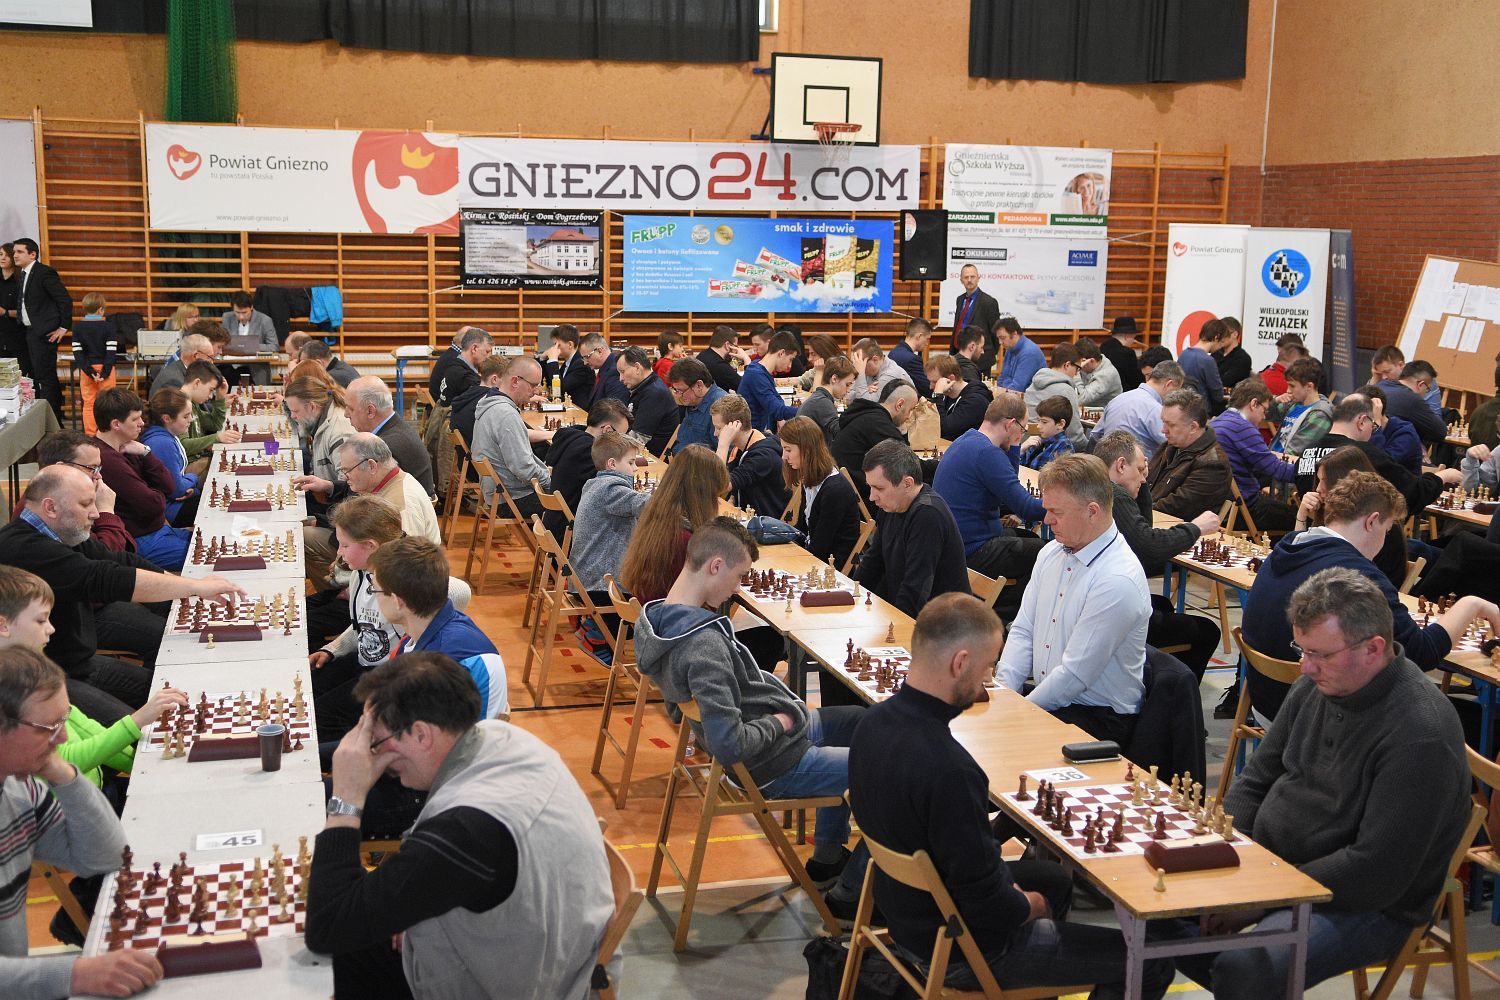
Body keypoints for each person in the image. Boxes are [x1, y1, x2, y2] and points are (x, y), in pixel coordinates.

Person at [848, 594, 1173, 999]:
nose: (988, 680)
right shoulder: (951, 769)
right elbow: (989, 905)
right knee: (1152, 961)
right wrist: (1029, 905)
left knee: (1053, 880)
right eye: (987, 666)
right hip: (960, 949)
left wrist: (1018, 892)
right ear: (960, 663)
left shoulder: (871, 724)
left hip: (903, 917)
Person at [1174, 567, 1471, 1000]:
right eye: (1302, 649)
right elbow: (1256, 780)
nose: (1305, 666)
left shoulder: (1420, 733)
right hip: (1275, 869)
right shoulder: (1319, 685)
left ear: (1373, 648)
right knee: (1156, 913)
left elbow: (1374, 871)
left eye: (1321, 654)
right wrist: (1232, 857)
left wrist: (1262, 898)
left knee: (1246, 968)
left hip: (1366, 903)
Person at [306, 652, 610, 1000]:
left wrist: (347, 797)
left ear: (421, 734)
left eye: (376, 742)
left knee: (317, 962)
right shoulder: (501, 737)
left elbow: (326, 925)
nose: (373, 755)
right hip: (548, 943)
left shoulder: (465, 831)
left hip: (522, 982)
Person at [635, 518, 871, 917]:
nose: (739, 588)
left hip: (770, 730)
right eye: (739, 576)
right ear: (715, 565)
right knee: (887, 773)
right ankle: (851, 893)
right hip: (772, 761)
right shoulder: (703, 645)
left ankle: (827, 858)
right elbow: (730, 745)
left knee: (862, 722)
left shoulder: (657, 619)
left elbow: (676, 707)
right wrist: (780, 722)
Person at [1243, 470, 1495, 720]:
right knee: (1442, 713)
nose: (1384, 541)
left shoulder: (1287, 546)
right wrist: (1471, 605)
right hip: (1314, 722)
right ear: (1372, 521)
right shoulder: (1357, 574)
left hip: (1263, 707)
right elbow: (1421, 653)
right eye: (1386, 530)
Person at [0, 466, 243, 719]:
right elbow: (107, 578)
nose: (96, 513)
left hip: (79, 662)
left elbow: (119, 560)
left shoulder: (58, 532)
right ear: (50, 507)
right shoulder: (24, 547)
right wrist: (193, 588)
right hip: (48, 678)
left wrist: (188, 585)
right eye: (85, 504)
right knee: (146, 724)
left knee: (166, 689)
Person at [0, 645, 170, 998]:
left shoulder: (20, 790)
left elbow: (106, 856)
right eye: (49, 727)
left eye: (63, 721)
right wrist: (74, 974)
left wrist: (64, 773)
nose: (63, 737)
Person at [997, 454, 1151, 744]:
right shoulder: (1050, 553)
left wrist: (1016, 712)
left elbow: (1075, 676)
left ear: (1092, 512)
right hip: (1051, 698)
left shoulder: (1117, 579)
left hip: (1098, 717)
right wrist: (1004, 692)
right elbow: (1023, 630)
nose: (1047, 520)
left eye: (1057, 512)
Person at [0, 567, 186, 800]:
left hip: (94, 788)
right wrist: (136, 721)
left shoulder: (34, 668)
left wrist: (145, 763)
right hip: (66, 809)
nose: (51, 628)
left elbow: (86, 728)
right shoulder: (13, 689)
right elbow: (63, 760)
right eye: (40, 620)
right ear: (3, 626)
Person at [310, 496, 470, 740]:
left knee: (322, 716)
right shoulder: (360, 573)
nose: (339, 553)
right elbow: (365, 624)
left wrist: (414, 590)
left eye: (344, 545)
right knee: (310, 686)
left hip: (393, 675)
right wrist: (333, 649)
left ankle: (352, 754)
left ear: (370, 546)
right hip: (365, 658)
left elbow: (460, 591)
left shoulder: (400, 577)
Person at [1093, 431, 1222, 680]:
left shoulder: (1098, 486)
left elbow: (1143, 528)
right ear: (1121, 465)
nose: (1145, 478)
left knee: (1163, 604)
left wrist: (1140, 484)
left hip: (1101, 599)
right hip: (1110, 611)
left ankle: (1156, 676)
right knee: (1207, 630)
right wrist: (1196, 528)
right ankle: (1172, 691)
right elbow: (1149, 547)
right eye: (1141, 470)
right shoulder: (1115, 495)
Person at [368, 537, 507, 715]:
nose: (374, 597)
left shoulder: (442, 667)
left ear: (397, 601)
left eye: (375, 590)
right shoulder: (423, 634)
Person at [933, 395, 1045, 613]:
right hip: (971, 550)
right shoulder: (988, 453)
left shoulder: (968, 438)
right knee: (1045, 552)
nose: (1021, 435)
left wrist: (1013, 444)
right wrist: (1065, 505)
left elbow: (1005, 493)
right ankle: (1003, 613)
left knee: (1030, 539)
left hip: (955, 543)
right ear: (1010, 424)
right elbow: (1027, 508)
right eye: (1022, 429)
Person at [298, 434, 442, 588]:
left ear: (372, 466)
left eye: (347, 471)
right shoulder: (388, 480)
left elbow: (404, 567)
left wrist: (347, 576)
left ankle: (339, 595)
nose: (345, 477)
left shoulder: (399, 506)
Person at [857, 441, 971, 617]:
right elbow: (873, 563)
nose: (872, 497)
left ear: (907, 483)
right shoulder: (891, 506)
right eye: (870, 487)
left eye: (879, 488)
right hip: (910, 614)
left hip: (943, 624)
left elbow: (915, 590)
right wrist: (852, 598)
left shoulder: (928, 515)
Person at [1294, 393, 1457, 513]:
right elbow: (1412, 494)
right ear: (1361, 421)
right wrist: (1442, 477)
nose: (1373, 431)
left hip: (1312, 533)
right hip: (1355, 539)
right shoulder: (1362, 454)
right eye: (1373, 426)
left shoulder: (1306, 451)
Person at [92, 388, 192, 570]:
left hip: (158, 530)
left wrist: (145, 452)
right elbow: (154, 504)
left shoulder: (129, 446)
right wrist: (156, 492)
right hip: (141, 541)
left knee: (212, 539)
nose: (142, 423)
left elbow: (169, 485)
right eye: (135, 419)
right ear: (116, 424)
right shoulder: (107, 460)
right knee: (211, 555)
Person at [618, 446, 730, 604]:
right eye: (715, 496)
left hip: (649, 610)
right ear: (702, 495)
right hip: (669, 615)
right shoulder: (684, 539)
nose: (716, 504)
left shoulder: (658, 518)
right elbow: (710, 596)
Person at [468, 356, 552, 518]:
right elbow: (524, 468)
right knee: (573, 500)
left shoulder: (489, 401)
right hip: (511, 498)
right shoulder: (506, 414)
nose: (536, 391)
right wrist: (549, 482)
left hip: (498, 493)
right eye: (533, 385)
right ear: (515, 381)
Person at [1210, 377, 1298, 530]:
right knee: (1300, 518)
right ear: (1254, 403)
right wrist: (1309, 470)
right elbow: (1276, 469)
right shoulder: (1242, 427)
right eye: (1264, 410)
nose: (1264, 417)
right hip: (1242, 508)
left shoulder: (1217, 421)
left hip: (1219, 504)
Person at [570, 432, 652, 594]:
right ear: (612, 464)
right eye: (631, 462)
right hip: (600, 586)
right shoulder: (610, 489)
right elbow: (648, 505)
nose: (635, 468)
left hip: (585, 579)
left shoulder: (594, 484)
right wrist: (673, 493)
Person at [541, 399, 631, 541]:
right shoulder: (588, 453)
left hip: (556, 524)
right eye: (620, 436)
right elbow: (616, 488)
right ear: (607, 430)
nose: (622, 441)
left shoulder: (573, 438)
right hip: (571, 534)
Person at [778, 416, 860, 569]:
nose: (784, 456)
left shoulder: (834, 490)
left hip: (830, 570)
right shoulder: (810, 479)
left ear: (807, 449)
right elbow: (802, 529)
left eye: (788, 450)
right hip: (813, 558)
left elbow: (820, 547)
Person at [1144, 388, 1233, 520]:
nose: (1163, 430)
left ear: (1193, 427)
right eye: (1163, 422)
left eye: (1171, 425)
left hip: (1177, 527)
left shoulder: (1213, 464)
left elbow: (1177, 507)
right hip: (1153, 520)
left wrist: (1136, 511)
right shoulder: (1171, 445)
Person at [7, 238, 71, 419]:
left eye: (20, 252)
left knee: (46, 377)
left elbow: (64, 299)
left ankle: (53, 419)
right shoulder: (23, 274)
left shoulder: (44, 272)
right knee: (33, 376)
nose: (15, 255)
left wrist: (63, 327)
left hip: (44, 333)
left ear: (32, 254)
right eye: (14, 252)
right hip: (28, 332)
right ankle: (37, 417)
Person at [345, 375, 434, 496]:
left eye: (351, 409)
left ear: (370, 411)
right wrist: (330, 486)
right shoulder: (396, 428)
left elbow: (357, 498)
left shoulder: (385, 446)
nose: (346, 414)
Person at [833, 381, 922, 503]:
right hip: (862, 500)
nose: (909, 416)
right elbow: (909, 465)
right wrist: (940, 465)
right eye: (910, 410)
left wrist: (902, 431)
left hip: (848, 492)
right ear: (900, 404)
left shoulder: (868, 415)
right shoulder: (878, 424)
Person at [712, 393, 790, 517]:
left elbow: (717, 486)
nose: (715, 434)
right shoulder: (741, 448)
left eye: (719, 428)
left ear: (736, 425)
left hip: (767, 524)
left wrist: (723, 445)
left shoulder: (763, 457)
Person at [1089, 359, 1184, 453]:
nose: (1175, 396)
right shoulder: (1156, 410)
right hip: (1140, 461)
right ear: (1168, 384)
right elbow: (1173, 445)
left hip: (1108, 460)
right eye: (1176, 390)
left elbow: (1095, 436)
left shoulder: (1117, 399)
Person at [140, 388, 200, 528]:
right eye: (185, 416)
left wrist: (193, 489)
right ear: (166, 418)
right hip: (171, 510)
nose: (191, 419)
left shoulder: (166, 437)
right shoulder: (162, 443)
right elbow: (176, 489)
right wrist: (194, 478)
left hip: (174, 502)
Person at [617, 346, 679, 456]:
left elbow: (637, 439)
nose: (620, 378)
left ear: (637, 367)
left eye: (622, 372)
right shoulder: (642, 386)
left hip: (652, 458)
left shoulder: (654, 393)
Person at [70, 292, 117, 436]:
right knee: (109, 403)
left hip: (87, 370)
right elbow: (111, 352)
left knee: (89, 403)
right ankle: (107, 434)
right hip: (106, 369)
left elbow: (78, 354)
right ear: (101, 309)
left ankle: (90, 435)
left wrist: (90, 372)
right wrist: (104, 373)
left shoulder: (77, 327)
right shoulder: (109, 327)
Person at [1022, 342, 1086, 447]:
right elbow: (1075, 436)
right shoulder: (1066, 390)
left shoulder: (1032, 385)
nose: (1076, 373)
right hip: (1050, 448)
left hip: (1026, 444)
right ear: (1067, 365)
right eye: (1077, 368)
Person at [738, 330, 800, 432]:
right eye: (790, 359)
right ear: (781, 353)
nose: (790, 365)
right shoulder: (756, 374)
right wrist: (808, 411)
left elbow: (777, 401)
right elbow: (778, 410)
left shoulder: (758, 367)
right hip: (750, 435)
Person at [1269, 357, 1332, 456]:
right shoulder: (1294, 403)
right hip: (1275, 458)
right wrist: (1275, 401)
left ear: (1309, 386)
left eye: (1292, 386)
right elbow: (1266, 414)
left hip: (1285, 462)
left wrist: (1266, 459)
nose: (1288, 391)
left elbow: (1295, 451)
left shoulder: (1320, 415)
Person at [1376, 360, 1447, 444]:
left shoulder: (1380, 385)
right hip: (1387, 448)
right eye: (1427, 389)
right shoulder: (1413, 400)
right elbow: (1440, 433)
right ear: (1421, 385)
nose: (1426, 393)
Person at [665, 357, 726, 456]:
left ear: (699, 385)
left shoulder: (721, 407)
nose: (678, 396)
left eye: (681, 391)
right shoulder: (693, 400)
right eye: (676, 390)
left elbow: (724, 456)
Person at [926, 353, 992, 440]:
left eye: (935, 382)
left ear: (951, 379)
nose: (930, 387)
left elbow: (943, 430)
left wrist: (937, 395)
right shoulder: (947, 395)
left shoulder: (975, 401)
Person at [795, 355, 855, 450]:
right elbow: (840, 433)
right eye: (847, 385)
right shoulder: (822, 402)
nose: (848, 390)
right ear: (834, 379)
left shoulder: (820, 398)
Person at [950, 264, 1001, 374]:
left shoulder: (989, 302)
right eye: (966, 277)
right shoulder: (960, 300)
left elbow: (995, 333)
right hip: (960, 356)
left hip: (981, 360)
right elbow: (958, 326)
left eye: (972, 277)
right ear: (961, 280)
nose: (969, 280)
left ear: (978, 278)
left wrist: (988, 354)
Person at [220, 290, 278, 384]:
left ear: (251, 307)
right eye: (237, 312)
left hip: (256, 368)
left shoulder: (265, 320)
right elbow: (222, 342)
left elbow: (274, 346)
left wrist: (250, 346)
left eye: (244, 312)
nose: (241, 317)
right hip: (232, 366)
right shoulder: (227, 317)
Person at [147, 324, 217, 397]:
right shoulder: (175, 382)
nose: (212, 363)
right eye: (209, 357)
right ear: (195, 356)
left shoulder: (184, 371)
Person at [434, 326, 492, 409]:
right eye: (487, 352)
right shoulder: (465, 378)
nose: (488, 357)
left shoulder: (454, 365)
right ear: (474, 348)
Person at [1179, 318, 1228, 415]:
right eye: (1221, 342)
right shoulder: (1208, 360)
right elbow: (1218, 395)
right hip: (1200, 412)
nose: (1221, 346)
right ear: (1216, 337)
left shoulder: (1183, 354)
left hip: (1183, 408)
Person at [535, 324, 590, 407]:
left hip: (580, 410)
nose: (554, 348)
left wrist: (553, 360)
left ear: (570, 344)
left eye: (557, 345)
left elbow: (560, 389)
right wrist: (543, 358)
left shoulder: (582, 364)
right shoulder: (567, 363)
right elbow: (549, 383)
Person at [1018, 395, 1074, 470]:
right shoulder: (1039, 441)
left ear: (1061, 424)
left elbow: (1055, 475)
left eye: (1044, 422)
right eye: (1038, 420)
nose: (1038, 426)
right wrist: (1022, 449)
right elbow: (1019, 466)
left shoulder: (1064, 447)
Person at [992, 317, 1044, 393]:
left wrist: (1000, 390)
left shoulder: (1029, 353)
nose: (1000, 342)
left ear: (1014, 334)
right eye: (998, 338)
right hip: (1011, 394)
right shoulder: (1010, 348)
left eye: (1003, 338)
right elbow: (1002, 378)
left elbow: (1017, 388)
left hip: (1028, 397)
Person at [849, 338, 914, 399]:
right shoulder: (869, 371)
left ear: (875, 359)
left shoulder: (890, 374)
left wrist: (860, 375)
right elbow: (847, 397)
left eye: (861, 362)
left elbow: (865, 403)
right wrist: (865, 390)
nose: (858, 367)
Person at [578, 332, 629, 406]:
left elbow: (614, 409)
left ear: (600, 351)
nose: (585, 363)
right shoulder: (605, 367)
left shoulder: (615, 371)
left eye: (587, 357)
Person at [0, 242, 26, 379]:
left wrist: (5, 312)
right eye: (0, 254)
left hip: (18, 336)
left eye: (7, 255)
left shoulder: (21, 280)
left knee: (21, 376)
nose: (2, 258)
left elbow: (28, 310)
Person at [889, 318, 933, 396]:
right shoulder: (912, 360)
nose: (927, 343)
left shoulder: (893, 352)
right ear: (919, 336)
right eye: (927, 339)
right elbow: (927, 389)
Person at [1100, 316, 1144, 393]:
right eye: (1133, 337)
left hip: (1102, 391)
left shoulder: (1103, 347)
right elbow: (1136, 381)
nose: (1133, 341)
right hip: (1122, 394)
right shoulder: (1127, 353)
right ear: (1127, 336)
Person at [1075, 336, 1122, 407]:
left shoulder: (1107, 374)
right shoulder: (1089, 366)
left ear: (1091, 361)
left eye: (1079, 363)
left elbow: (1081, 399)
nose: (1078, 366)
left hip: (1107, 412)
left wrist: (1076, 371)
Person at [697, 324, 745, 392]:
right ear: (727, 345)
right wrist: (746, 359)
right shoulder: (719, 365)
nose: (736, 349)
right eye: (735, 346)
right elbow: (745, 387)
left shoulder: (703, 354)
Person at [1212, 315, 1252, 390]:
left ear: (1235, 334)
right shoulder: (1215, 354)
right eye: (1218, 333)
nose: (1219, 337)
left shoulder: (1242, 359)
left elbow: (1224, 382)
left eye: (1223, 333)